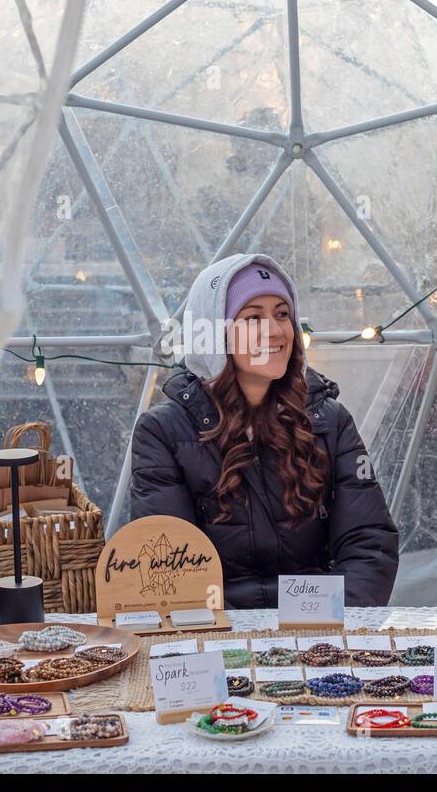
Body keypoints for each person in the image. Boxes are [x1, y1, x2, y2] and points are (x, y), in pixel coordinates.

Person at [129, 253, 399, 609]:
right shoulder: (163, 432)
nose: (275, 331)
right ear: (215, 333)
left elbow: (370, 545)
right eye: (253, 317)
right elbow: (168, 574)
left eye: (282, 314)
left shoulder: (330, 422)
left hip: (316, 632)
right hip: (219, 637)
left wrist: (324, 627)